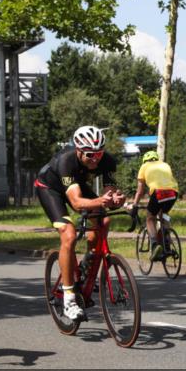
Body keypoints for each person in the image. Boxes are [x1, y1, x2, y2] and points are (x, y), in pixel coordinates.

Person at [34, 125, 124, 321]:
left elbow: (109, 195)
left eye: (98, 153)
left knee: (104, 220)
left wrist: (117, 200)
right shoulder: (66, 161)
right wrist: (101, 201)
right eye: (90, 155)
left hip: (76, 184)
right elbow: (76, 203)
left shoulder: (107, 161)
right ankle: (69, 299)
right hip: (50, 188)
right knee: (69, 234)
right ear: (78, 150)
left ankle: (87, 265)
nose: (95, 159)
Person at [129, 150, 179, 261]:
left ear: (145, 160)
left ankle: (155, 245)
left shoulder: (144, 166)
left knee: (150, 219)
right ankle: (166, 240)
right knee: (164, 214)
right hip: (173, 192)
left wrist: (135, 205)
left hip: (158, 192)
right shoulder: (165, 164)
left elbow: (140, 190)